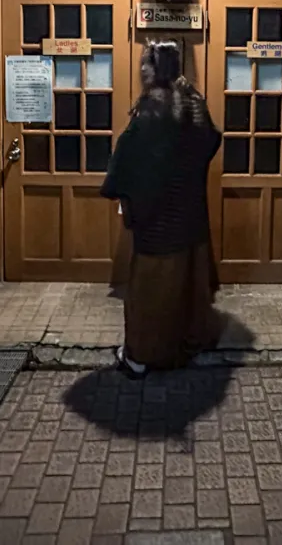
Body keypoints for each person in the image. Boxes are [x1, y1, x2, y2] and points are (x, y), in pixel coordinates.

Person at [101, 40, 222, 377]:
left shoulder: (154, 105)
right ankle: (183, 349)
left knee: (149, 294)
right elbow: (211, 139)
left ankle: (139, 358)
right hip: (190, 216)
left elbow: (131, 154)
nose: (141, 69)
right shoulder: (192, 100)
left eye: (145, 63)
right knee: (185, 290)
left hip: (157, 220)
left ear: (155, 68)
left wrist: (123, 190)